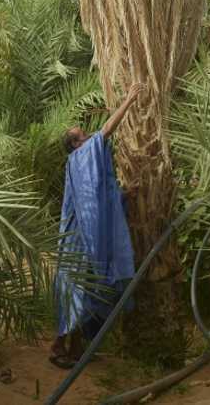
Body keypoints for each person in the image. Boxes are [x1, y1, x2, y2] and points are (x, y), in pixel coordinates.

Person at [50, 83, 143, 369]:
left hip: (83, 240)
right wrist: (128, 100)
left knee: (87, 291)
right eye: (82, 135)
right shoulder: (78, 159)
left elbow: (98, 195)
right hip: (78, 240)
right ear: (76, 145)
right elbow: (106, 131)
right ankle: (57, 346)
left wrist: (123, 196)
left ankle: (77, 349)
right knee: (77, 290)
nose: (88, 135)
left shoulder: (80, 163)